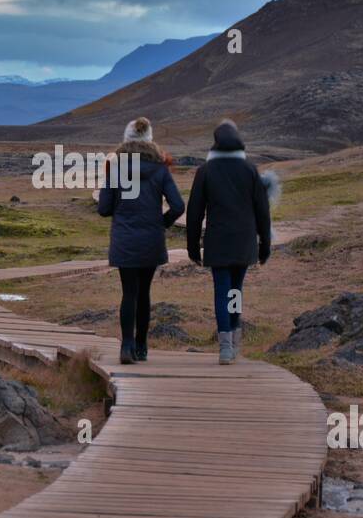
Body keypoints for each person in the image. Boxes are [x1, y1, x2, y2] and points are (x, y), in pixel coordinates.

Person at [97, 117, 185, 364]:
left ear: (126, 141)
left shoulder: (116, 168)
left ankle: (126, 346)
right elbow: (178, 206)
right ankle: (142, 346)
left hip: (125, 239)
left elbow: (104, 209)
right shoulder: (160, 169)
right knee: (144, 293)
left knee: (129, 293)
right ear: (150, 140)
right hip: (151, 239)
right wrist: (162, 223)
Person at [186, 119, 273, 365]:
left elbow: (195, 212)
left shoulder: (206, 171)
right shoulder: (250, 169)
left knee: (221, 290)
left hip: (218, 242)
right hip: (244, 243)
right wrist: (265, 246)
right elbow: (263, 212)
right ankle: (234, 341)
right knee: (235, 291)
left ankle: (225, 347)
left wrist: (193, 247)